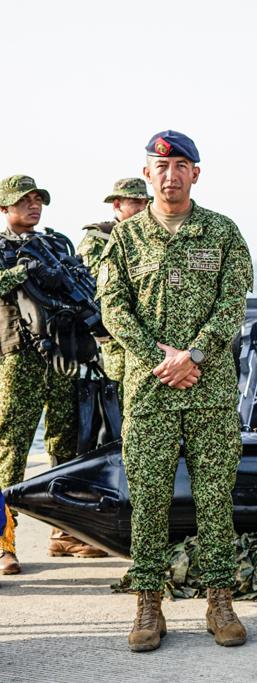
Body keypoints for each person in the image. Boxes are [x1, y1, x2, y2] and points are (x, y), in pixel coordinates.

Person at [98, 130, 253, 652]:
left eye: (181, 165)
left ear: (195, 174)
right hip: (150, 392)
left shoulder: (223, 232)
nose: (171, 174)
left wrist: (196, 355)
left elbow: (233, 304)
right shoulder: (124, 239)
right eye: (161, 167)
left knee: (214, 499)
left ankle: (220, 601)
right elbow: (113, 307)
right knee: (147, 501)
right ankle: (148, 604)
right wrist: (159, 358)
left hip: (209, 391)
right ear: (147, 174)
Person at [0, 175, 106, 573]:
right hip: (18, 359)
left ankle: (63, 532)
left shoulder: (55, 244)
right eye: (23, 201)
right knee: (10, 450)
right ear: (4, 208)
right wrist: (22, 271)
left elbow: (81, 282)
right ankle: (4, 542)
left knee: (65, 444)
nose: (33, 206)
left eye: (37, 199)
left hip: (61, 355)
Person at [77, 178, 150, 389]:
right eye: (135, 203)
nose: (142, 208)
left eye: (145, 203)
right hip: (116, 338)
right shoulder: (98, 239)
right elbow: (88, 288)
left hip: (148, 335)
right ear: (117, 204)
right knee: (119, 398)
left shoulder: (149, 237)